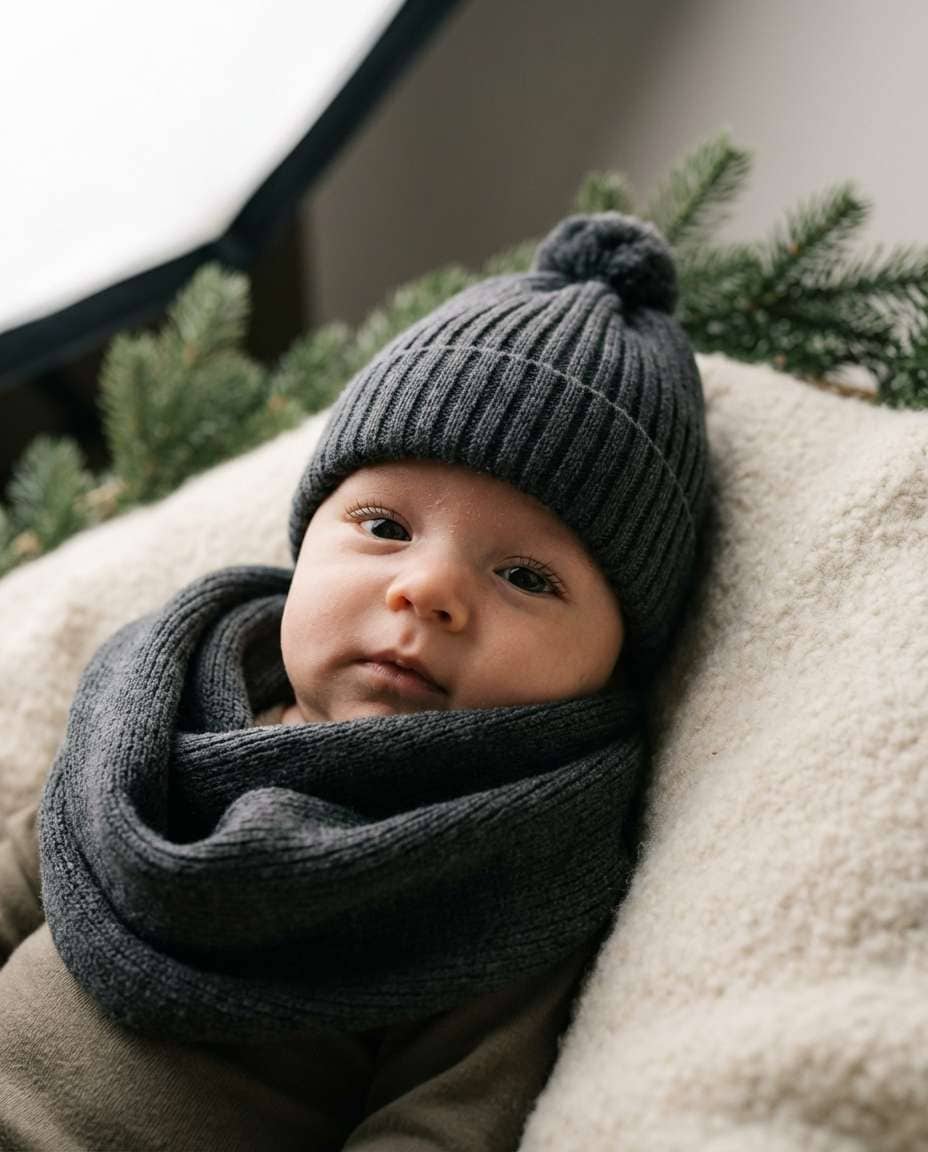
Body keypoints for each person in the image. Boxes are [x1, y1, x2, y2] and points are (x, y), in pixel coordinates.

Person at [0, 211, 710, 1151]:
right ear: (305, 543)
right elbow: (23, 871)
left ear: (616, 663)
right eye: (385, 527)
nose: (428, 590)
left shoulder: (516, 873)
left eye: (526, 576)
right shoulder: (165, 707)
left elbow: (438, 1129)